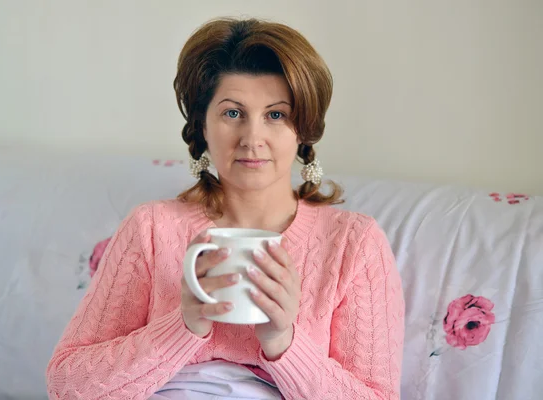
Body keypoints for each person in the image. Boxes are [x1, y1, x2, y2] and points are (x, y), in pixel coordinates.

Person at [46, 17, 404, 400]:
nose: (252, 139)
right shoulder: (151, 228)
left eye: (276, 115)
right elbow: (67, 386)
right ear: (202, 125)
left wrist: (284, 342)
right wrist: (182, 327)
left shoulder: (354, 244)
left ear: (303, 130)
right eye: (232, 113)